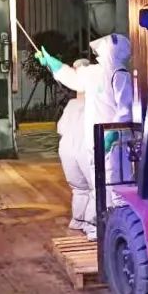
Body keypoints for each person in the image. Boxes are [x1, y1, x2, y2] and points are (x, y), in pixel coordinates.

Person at [37, 34, 133, 240]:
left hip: (113, 141)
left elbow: (125, 110)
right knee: (97, 183)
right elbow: (74, 78)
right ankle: (99, 226)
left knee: (114, 183)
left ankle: (118, 229)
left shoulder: (119, 75)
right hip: (95, 138)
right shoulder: (95, 73)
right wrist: (53, 63)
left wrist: (114, 134)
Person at [57, 59, 91, 232]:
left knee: (79, 189)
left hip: (67, 150)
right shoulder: (94, 103)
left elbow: (60, 128)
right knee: (95, 188)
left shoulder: (71, 105)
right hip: (85, 148)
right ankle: (92, 226)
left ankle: (78, 220)